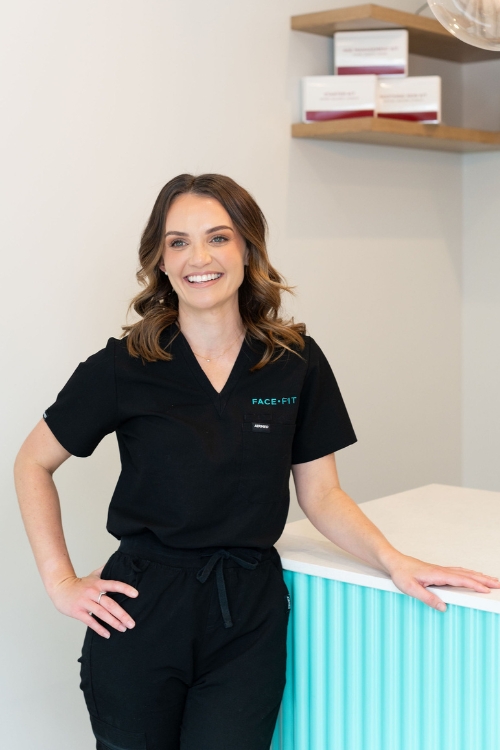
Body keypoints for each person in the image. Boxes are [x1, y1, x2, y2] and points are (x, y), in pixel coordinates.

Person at [14, 173, 500, 750]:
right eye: (178, 242)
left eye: (218, 238)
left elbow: (322, 494)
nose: (199, 258)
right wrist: (61, 582)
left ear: (247, 249)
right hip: (142, 612)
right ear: (161, 262)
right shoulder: (124, 365)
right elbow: (32, 463)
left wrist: (395, 561)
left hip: (247, 616)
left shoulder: (294, 361)